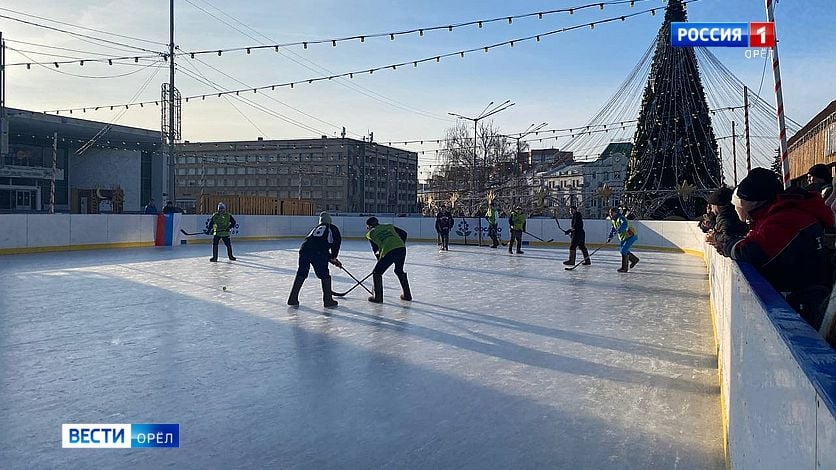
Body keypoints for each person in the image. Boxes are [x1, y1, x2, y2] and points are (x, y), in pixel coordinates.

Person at [723, 168, 835, 329]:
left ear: (753, 201)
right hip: (801, 297)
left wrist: (724, 243)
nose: (738, 207)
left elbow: (750, 251)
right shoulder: (775, 215)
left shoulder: (783, 218)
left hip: (807, 303)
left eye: (740, 201)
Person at [287, 211, 342, 308]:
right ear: (330, 221)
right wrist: (334, 257)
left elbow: (317, 245)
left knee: (301, 273)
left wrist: (331, 259)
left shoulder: (315, 229)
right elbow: (335, 244)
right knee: (324, 275)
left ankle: (292, 299)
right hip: (318, 253)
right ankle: (328, 300)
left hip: (304, 251)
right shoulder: (332, 228)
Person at [365, 217, 411, 303]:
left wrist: (379, 260)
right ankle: (407, 295)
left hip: (389, 251)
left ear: (370, 226)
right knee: (399, 270)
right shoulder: (389, 226)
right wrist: (399, 245)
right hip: (401, 249)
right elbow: (404, 234)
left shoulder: (370, 234)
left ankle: (378, 298)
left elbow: (375, 249)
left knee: (377, 273)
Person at [705, 186, 749, 256]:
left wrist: (714, 237)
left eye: (712, 206)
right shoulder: (731, 215)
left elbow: (727, 238)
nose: (711, 210)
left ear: (717, 206)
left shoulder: (724, 218)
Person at [608, 207, 639, 273]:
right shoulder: (614, 220)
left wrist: (619, 230)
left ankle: (624, 268)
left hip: (631, 235)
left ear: (616, 213)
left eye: (612, 213)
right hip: (624, 237)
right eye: (610, 213)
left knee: (623, 250)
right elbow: (613, 228)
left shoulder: (621, 218)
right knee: (624, 250)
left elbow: (624, 224)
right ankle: (634, 260)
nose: (610, 214)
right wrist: (610, 236)